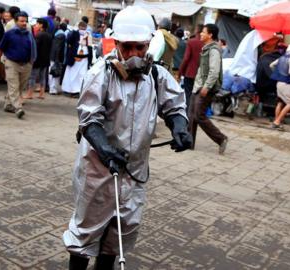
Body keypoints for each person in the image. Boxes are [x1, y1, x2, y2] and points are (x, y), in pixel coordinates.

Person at [62, 6, 192, 270]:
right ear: (117, 43)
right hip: (99, 169)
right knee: (86, 231)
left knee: (119, 235)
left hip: (134, 171)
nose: (134, 54)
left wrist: (180, 126)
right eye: (128, 47)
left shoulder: (156, 75)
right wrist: (106, 150)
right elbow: (89, 119)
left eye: (140, 48)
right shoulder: (100, 74)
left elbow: (174, 106)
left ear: (148, 44)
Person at [188, 23, 228, 154]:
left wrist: (207, 86)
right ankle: (189, 142)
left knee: (199, 115)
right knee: (192, 115)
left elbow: (214, 71)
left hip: (205, 88)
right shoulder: (206, 48)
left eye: (203, 32)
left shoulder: (214, 50)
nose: (201, 34)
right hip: (198, 86)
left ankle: (221, 139)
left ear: (210, 35)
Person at [0, 11, 36, 119]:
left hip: (26, 65)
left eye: (25, 21)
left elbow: (33, 49)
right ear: (16, 21)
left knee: (19, 87)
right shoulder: (9, 34)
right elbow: (0, 49)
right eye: (21, 21)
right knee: (13, 86)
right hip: (11, 63)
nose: (24, 23)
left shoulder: (29, 34)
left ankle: (8, 105)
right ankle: (18, 108)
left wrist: (31, 62)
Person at [269, 43, 290, 130]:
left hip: (279, 83)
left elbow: (271, 65)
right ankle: (277, 122)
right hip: (287, 83)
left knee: (280, 102)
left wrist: (278, 73)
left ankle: (276, 122)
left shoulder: (282, 57)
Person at [62, 21, 92, 97]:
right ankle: (69, 90)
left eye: (84, 28)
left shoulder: (88, 35)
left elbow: (90, 47)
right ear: (78, 27)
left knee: (81, 75)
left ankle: (78, 91)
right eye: (81, 27)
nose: (83, 29)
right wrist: (74, 32)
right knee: (71, 74)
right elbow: (68, 41)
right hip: (74, 58)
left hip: (84, 59)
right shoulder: (74, 33)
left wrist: (90, 59)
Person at [24, 18, 52, 99]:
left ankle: (29, 94)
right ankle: (41, 94)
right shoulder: (49, 35)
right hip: (46, 59)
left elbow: (35, 48)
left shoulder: (39, 35)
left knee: (32, 76)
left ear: (41, 25)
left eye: (37, 24)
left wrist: (32, 58)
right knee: (42, 77)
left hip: (38, 59)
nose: (36, 25)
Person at [178, 24, 203, 112]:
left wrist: (180, 72)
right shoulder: (206, 44)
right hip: (201, 75)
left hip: (189, 73)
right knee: (196, 96)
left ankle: (188, 115)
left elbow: (186, 58)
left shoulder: (191, 42)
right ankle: (193, 115)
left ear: (196, 30)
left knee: (188, 95)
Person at [49, 22, 67, 95]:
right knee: (55, 73)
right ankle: (53, 89)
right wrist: (57, 58)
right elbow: (58, 48)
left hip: (53, 56)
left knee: (52, 72)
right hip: (57, 57)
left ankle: (52, 88)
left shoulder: (56, 34)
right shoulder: (62, 35)